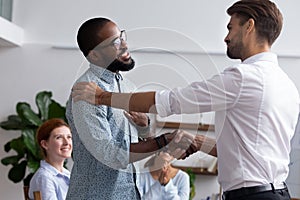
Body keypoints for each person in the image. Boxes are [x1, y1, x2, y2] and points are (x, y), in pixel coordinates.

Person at [72, 1, 300, 200]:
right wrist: (196, 141)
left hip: (252, 195)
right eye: (115, 41)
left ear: (249, 26)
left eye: (231, 27)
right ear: (93, 54)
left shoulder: (244, 77)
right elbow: (247, 152)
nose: (226, 37)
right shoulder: (286, 84)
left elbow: (171, 101)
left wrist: (102, 97)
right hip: (276, 192)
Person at [65, 17, 192, 200]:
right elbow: (109, 155)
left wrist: (145, 126)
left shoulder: (126, 86)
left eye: (122, 36)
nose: (124, 45)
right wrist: (163, 141)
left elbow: (139, 137)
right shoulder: (85, 93)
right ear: (94, 55)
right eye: (115, 42)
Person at [28, 118, 72, 200]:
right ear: (45, 144)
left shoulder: (66, 174)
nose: (67, 142)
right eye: (59, 137)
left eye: (69, 137)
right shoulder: (44, 178)